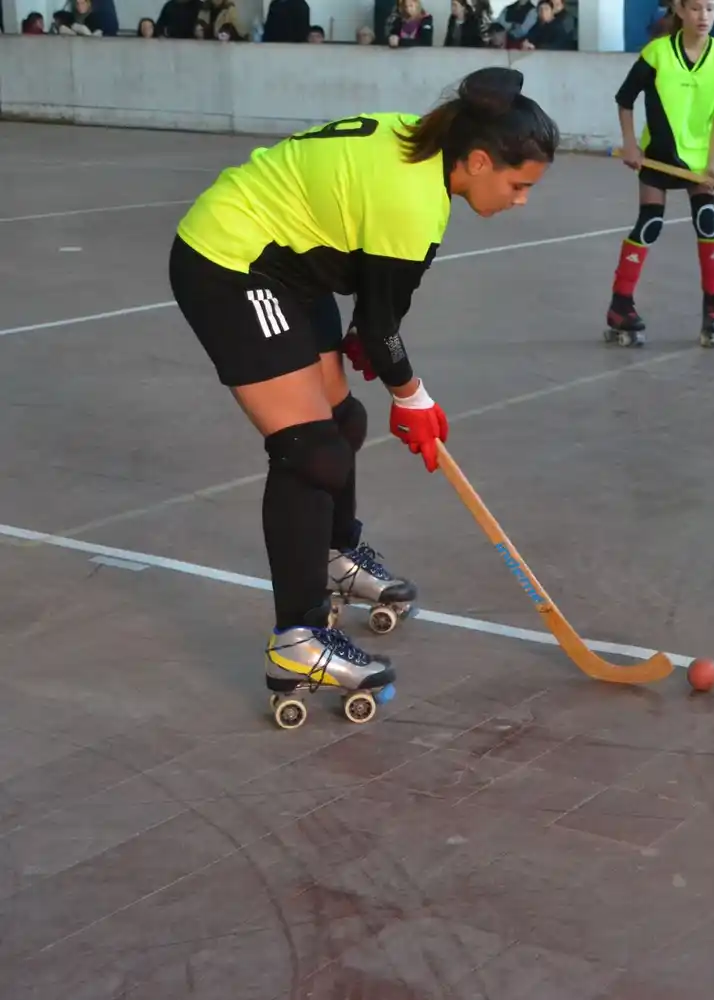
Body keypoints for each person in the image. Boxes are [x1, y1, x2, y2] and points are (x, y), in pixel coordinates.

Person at [167, 67, 558, 726]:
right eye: (518, 185)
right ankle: (297, 640)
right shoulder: (416, 203)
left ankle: (332, 552)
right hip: (232, 260)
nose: (520, 200)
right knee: (310, 452)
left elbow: (370, 304)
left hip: (291, 261)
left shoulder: (423, 147)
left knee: (342, 421)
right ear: (480, 161)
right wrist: (415, 400)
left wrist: (386, 365)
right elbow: (380, 332)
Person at [608, 0, 714, 349]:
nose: (704, 17)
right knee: (650, 224)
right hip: (658, 156)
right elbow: (625, 99)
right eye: (696, 8)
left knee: (708, 221)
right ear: (680, 10)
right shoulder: (656, 54)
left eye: (711, 9)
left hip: (700, 161)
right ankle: (620, 305)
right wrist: (629, 145)